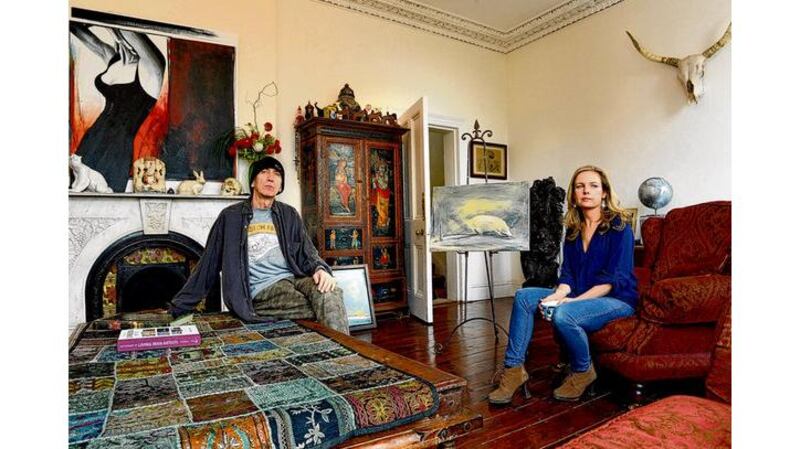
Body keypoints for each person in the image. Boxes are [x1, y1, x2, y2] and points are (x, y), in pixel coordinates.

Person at [488, 165, 637, 404]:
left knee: (564, 314)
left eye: (593, 186)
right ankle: (513, 370)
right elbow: (567, 274)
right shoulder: (573, 229)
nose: (586, 191)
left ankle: (583, 370)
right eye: (580, 186)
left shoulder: (620, 228)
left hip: (617, 299)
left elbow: (611, 281)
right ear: (573, 194)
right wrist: (558, 294)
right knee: (524, 297)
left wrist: (570, 302)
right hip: (579, 293)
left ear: (604, 193)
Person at [169, 156, 350, 335]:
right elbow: (208, 263)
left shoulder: (289, 214)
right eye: (264, 172)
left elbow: (307, 251)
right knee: (328, 305)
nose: (270, 178)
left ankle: (346, 351)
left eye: (276, 174)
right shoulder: (230, 217)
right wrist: (180, 306)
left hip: (294, 278)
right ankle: (344, 349)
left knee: (331, 292)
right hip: (260, 290)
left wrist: (320, 269)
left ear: (280, 186)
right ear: (253, 182)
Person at [70, 23, 166, 192]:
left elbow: (124, 26)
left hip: (115, 152)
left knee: (102, 203)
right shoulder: (114, 58)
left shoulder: (152, 67)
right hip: (90, 142)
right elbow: (77, 29)